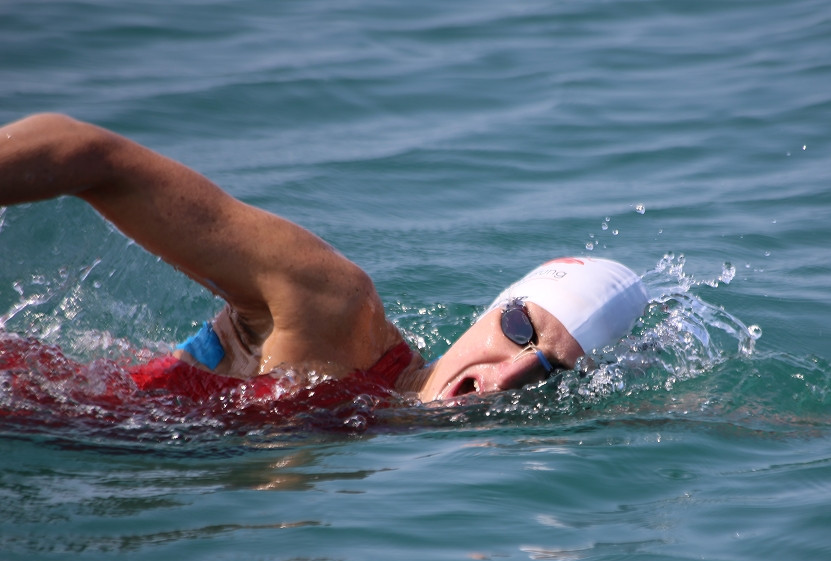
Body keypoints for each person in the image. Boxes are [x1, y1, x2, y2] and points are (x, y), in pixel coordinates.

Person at [0, 113, 648, 406]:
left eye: (547, 372)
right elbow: (88, 153)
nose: (505, 375)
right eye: (518, 331)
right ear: (488, 312)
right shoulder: (333, 306)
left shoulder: (391, 434)